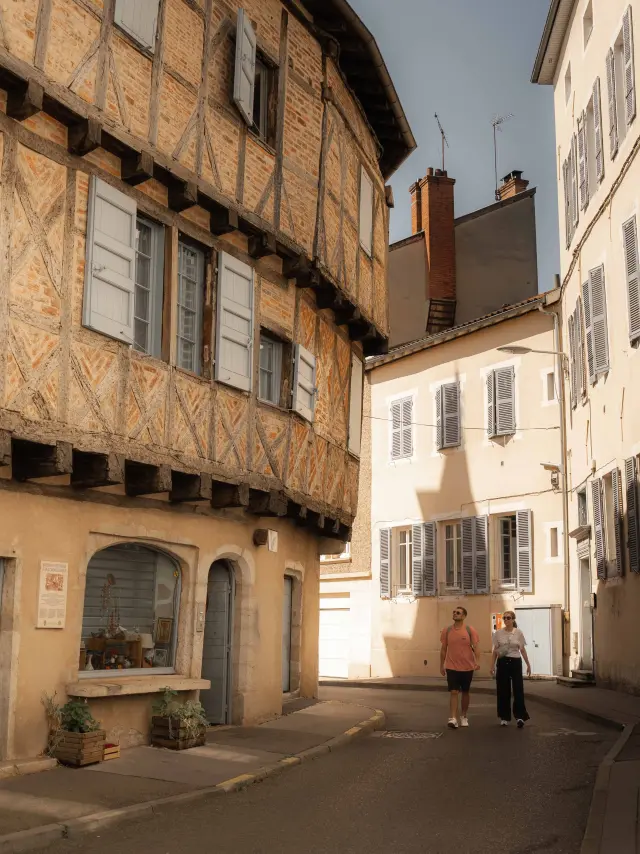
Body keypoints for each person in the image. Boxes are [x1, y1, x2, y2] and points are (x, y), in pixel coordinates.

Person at [440, 606, 480, 729]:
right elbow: (443, 649)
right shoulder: (447, 630)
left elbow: (476, 647)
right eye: (454, 612)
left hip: (467, 667)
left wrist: (477, 661)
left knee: (465, 692)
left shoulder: (469, 630)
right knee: (454, 691)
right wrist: (441, 665)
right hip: (451, 666)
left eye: (458, 612)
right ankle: (453, 718)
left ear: (463, 616)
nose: (455, 614)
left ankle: (463, 716)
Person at [490, 610, 532, 728]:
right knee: (503, 689)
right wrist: (492, 665)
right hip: (503, 662)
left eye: (508, 618)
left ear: (513, 619)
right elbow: (495, 651)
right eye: (504, 618)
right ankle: (504, 717)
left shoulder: (518, 633)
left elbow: (522, 649)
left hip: (515, 661)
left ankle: (520, 716)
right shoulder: (498, 633)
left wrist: (528, 664)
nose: (506, 620)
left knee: (518, 689)